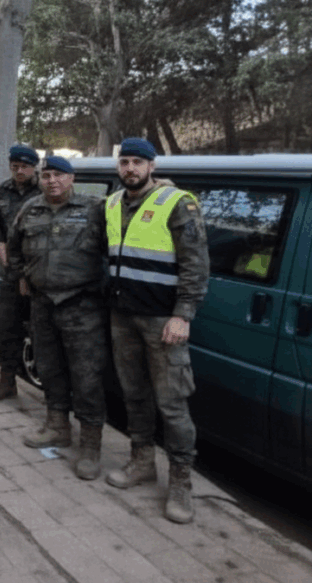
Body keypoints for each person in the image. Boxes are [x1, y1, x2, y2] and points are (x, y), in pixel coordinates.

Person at [103, 138, 209, 524]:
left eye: (136, 162)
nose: (129, 168)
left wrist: (184, 314)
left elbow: (196, 265)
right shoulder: (113, 203)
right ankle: (142, 462)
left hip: (163, 321)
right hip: (123, 316)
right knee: (134, 396)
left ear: (152, 165)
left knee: (172, 403)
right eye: (124, 162)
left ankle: (181, 482)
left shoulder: (178, 203)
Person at [6, 156, 108, 479]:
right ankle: (57, 426)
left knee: (87, 375)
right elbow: (14, 246)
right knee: (49, 367)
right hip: (42, 303)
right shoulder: (30, 210)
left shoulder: (95, 210)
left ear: (72, 178)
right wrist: (23, 274)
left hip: (81, 305)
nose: (52, 181)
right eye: (46, 175)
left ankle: (90, 446)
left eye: (59, 175)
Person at [0, 144, 43, 402]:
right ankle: (7, 382)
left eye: (25, 167)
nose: (19, 171)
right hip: (8, 272)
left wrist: (25, 272)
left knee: (42, 333)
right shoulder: (3, 190)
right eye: (15, 166)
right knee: (6, 329)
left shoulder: (44, 191)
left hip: (37, 275)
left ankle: (51, 394)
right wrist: (3, 255)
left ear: (34, 167)